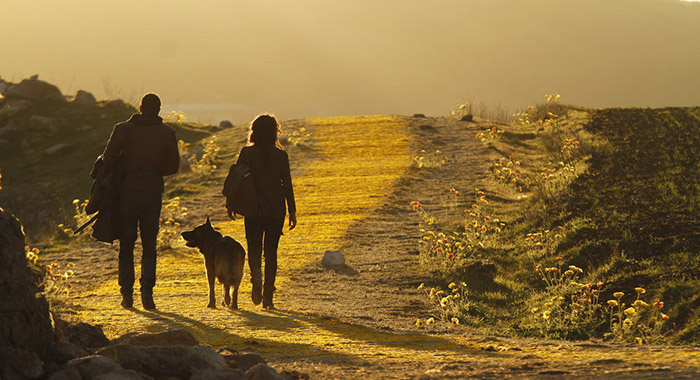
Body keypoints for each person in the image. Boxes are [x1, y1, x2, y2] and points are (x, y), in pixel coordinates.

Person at [102, 93, 180, 309]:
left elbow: (108, 159)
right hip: (152, 192)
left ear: (140, 107)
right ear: (159, 109)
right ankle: (147, 291)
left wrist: (122, 170)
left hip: (126, 193)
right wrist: (153, 173)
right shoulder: (167, 133)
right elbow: (173, 167)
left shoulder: (123, 129)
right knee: (149, 244)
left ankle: (127, 294)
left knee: (126, 244)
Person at [233, 114, 297, 309]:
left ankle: (256, 282)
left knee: (254, 249)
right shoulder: (281, 156)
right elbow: (287, 185)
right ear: (274, 132)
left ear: (254, 132)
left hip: (252, 209)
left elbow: (237, 180)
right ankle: (268, 295)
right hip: (275, 209)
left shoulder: (246, 153)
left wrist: (232, 204)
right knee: (271, 252)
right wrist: (292, 211)